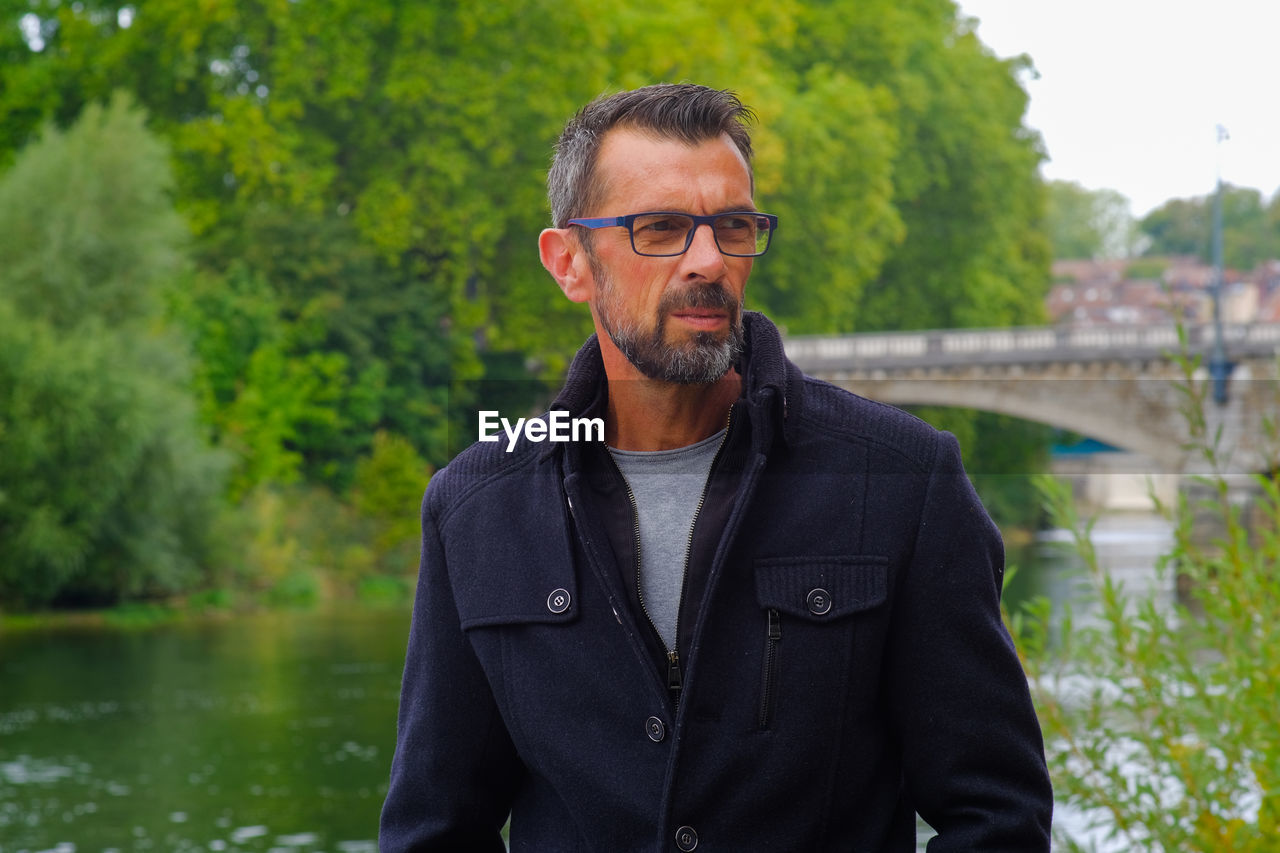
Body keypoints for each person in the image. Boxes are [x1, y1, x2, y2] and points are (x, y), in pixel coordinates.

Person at [379, 83, 1053, 852]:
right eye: (661, 228)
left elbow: (999, 819)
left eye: (732, 227)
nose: (709, 260)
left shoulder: (904, 483)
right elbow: (434, 830)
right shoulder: (474, 507)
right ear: (570, 262)